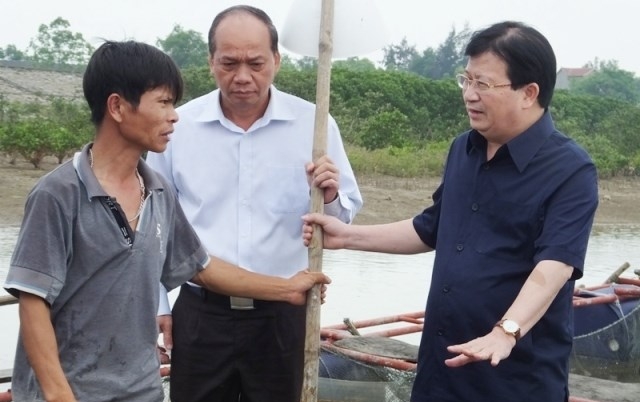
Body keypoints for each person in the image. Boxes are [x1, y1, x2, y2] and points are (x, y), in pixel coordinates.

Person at [3, 40, 329, 402]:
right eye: (163, 102)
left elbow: (200, 267)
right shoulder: (58, 195)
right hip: (71, 392)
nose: (174, 115)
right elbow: (33, 302)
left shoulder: (157, 191)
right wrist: (59, 396)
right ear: (117, 107)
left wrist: (287, 288)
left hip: (141, 391)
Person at [302, 21, 599, 402]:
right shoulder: (465, 149)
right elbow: (432, 228)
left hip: (514, 379)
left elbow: (555, 265)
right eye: (467, 80)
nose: (470, 95)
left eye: (484, 85)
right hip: (440, 373)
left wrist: (505, 331)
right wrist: (347, 236)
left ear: (529, 93)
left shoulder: (571, 169)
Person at [145, 5, 362, 402]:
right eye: (229, 63)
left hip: (284, 313)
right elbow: (155, 227)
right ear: (211, 61)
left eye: (256, 63)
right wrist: (159, 302)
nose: (242, 76)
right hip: (200, 312)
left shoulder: (314, 125)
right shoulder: (178, 128)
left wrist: (330, 195)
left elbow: (342, 220)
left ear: (276, 60)